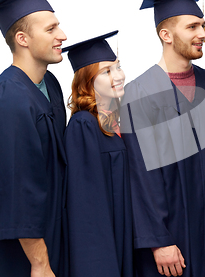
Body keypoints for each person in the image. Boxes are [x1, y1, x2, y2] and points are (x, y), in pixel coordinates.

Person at [120, 0, 205, 277]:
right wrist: (159, 240)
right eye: (192, 26)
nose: (203, 34)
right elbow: (140, 175)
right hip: (172, 233)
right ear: (166, 35)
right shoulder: (139, 92)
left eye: (203, 26)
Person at [0, 0, 67, 277]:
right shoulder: (4, 98)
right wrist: (40, 262)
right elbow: (14, 188)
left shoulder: (49, 84)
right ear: (22, 39)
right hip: (16, 257)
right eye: (50, 29)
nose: (62, 35)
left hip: (49, 236)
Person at [61, 31, 134, 277]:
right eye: (106, 71)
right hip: (103, 251)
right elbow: (86, 209)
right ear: (86, 82)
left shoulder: (117, 123)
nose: (118, 76)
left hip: (125, 239)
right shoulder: (84, 125)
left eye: (119, 67)